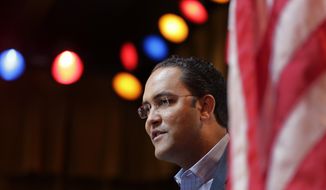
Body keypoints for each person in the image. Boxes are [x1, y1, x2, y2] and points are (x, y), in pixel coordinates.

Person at [137, 55, 229, 190]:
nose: (150, 119)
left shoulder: (255, 169)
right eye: (147, 109)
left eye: (164, 101)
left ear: (204, 107)